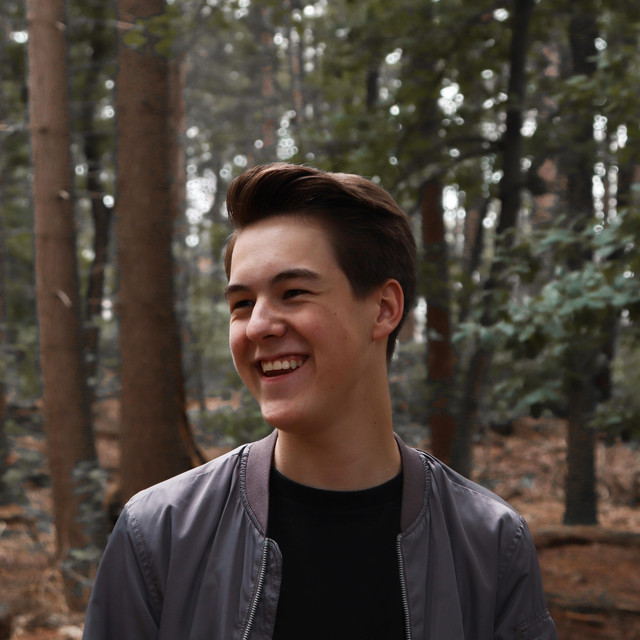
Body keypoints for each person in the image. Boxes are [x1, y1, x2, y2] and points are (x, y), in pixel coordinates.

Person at [82, 162, 557, 640]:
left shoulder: (490, 545)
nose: (258, 326)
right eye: (242, 303)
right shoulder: (159, 535)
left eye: (293, 293)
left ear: (384, 309)